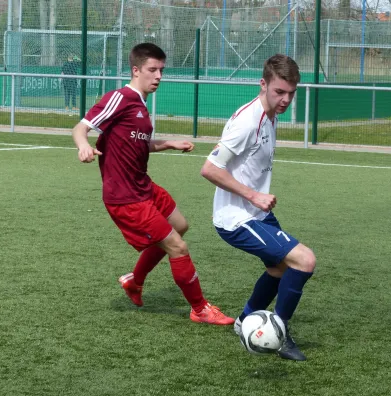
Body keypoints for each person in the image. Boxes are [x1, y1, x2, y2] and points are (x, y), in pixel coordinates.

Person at [71, 42, 234, 326]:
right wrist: (83, 145)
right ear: (136, 70)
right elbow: (81, 127)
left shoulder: (141, 105)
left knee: (180, 225)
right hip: (126, 197)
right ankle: (200, 309)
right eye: (152, 70)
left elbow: (136, 144)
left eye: (161, 70)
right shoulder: (121, 97)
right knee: (178, 247)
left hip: (143, 186)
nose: (158, 76)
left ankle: (135, 280)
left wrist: (167, 143)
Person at [200, 54, 316, 359]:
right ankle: (280, 331)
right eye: (279, 92)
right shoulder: (248, 121)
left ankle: (244, 321)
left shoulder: (270, 115)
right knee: (304, 261)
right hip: (236, 218)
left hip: (257, 214)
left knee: (279, 271)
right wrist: (254, 196)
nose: (286, 100)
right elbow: (210, 169)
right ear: (262, 84)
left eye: (291, 93)